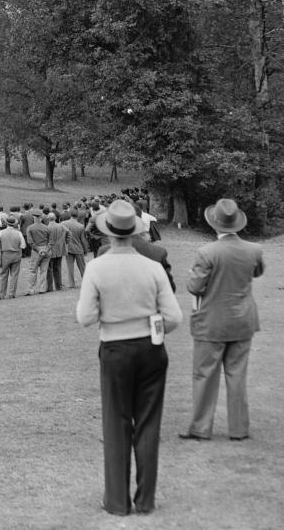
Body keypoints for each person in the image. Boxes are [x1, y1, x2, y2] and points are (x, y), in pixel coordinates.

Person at [76, 199, 182, 516]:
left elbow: (85, 317)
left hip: (115, 349)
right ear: (136, 231)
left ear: (108, 234)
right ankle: (146, 500)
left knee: (116, 423)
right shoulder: (152, 267)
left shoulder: (96, 267)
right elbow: (174, 316)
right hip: (151, 349)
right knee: (148, 423)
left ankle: (118, 502)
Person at [179, 198, 265, 442]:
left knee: (204, 375)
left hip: (212, 322)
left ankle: (200, 427)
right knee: (237, 375)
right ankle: (239, 429)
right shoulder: (254, 250)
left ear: (214, 224)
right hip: (242, 320)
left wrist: (192, 276)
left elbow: (195, 287)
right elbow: (257, 272)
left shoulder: (207, 252)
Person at [0, 216, 26, 300]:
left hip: (5, 255)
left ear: (6, 223)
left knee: (3, 275)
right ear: (14, 223)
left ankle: (2, 294)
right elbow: (23, 245)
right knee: (14, 275)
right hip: (16, 255)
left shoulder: (1, 232)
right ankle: (11, 294)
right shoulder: (18, 233)